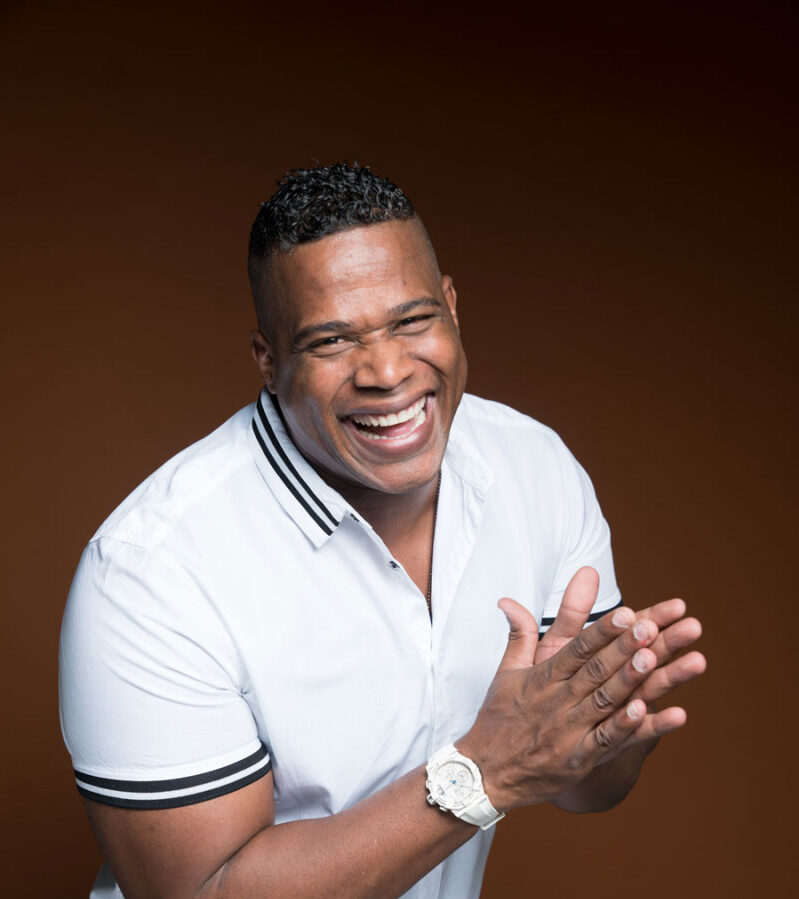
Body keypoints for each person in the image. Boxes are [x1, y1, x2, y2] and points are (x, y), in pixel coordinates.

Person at [59, 162, 706, 898]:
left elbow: (589, 788)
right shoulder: (151, 569)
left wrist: (590, 722)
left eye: (412, 321)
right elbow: (203, 890)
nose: (388, 371)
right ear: (268, 360)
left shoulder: (535, 467)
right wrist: (485, 770)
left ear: (451, 307)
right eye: (332, 341)